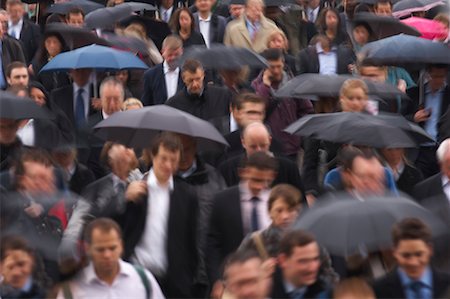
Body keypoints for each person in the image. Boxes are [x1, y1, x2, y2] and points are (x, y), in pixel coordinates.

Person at [122, 132, 199, 298]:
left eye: (173, 160)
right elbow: (117, 225)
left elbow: (191, 240)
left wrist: (187, 277)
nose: (168, 165)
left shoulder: (187, 195)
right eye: (164, 158)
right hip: (138, 276)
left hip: (173, 282)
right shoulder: (136, 189)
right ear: (153, 156)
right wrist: (124, 199)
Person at [207, 151, 278, 288]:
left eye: (266, 181)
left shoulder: (276, 202)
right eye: (255, 180)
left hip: (267, 281)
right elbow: (212, 244)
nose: (259, 186)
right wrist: (216, 280)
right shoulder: (222, 200)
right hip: (232, 280)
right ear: (243, 172)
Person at [57, 218, 165, 299]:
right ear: (87, 248)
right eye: (100, 249)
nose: (107, 255)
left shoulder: (143, 279)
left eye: (112, 248)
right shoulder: (71, 291)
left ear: (121, 246)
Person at [252, 48, 314, 158]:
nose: (276, 71)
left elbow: (306, 110)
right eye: (272, 67)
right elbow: (258, 109)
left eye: (278, 66)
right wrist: (265, 86)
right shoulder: (256, 86)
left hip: (291, 145)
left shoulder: (294, 85)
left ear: (283, 63)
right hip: (268, 146)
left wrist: (299, 135)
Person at [372, 218, 450, 299]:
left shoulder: (447, 284)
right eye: (406, 255)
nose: (413, 262)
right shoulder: (378, 290)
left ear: (430, 250)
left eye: (419, 254)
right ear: (394, 252)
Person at [219, 122, 305, 194]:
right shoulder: (227, 169)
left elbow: (301, 204)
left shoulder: (288, 168)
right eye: (253, 146)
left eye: (263, 145)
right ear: (243, 143)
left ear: (270, 141)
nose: (259, 150)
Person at [404, 64, 450, 178]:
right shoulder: (414, 94)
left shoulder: (448, 96)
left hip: (441, 148)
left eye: (442, 76)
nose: (438, 80)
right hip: (420, 151)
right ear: (428, 75)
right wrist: (414, 118)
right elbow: (401, 119)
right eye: (435, 76)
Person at [239, 184, 302, 258]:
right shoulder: (255, 241)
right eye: (279, 211)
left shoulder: (306, 239)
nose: (285, 216)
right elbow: (236, 267)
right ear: (269, 212)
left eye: (290, 210)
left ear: (298, 211)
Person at [271, 230, 331, 298]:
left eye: (315, 259)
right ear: (283, 260)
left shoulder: (325, 291)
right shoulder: (264, 292)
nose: (312, 268)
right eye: (304, 261)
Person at [166, 59, 231, 120]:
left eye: (198, 79)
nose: (195, 84)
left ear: (203, 75)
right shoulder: (174, 105)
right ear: (183, 79)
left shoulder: (222, 96)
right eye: (190, 80)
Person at [141, 35, 185, 106]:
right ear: (162, 53)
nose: (173, 58)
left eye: (176, 55)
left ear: (182, 52)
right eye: (170, 55)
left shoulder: (187, 73)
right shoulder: (151, 75)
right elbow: (146, 103)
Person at [5, 0, 41, 64]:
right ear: (8, 12)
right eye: (14, 11)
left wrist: (33, 65)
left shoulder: (33, 28)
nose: (17, 14)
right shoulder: (3, 27)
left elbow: (39, 49)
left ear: (23, 11)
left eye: (19, 11)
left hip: (26, 66)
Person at [0, 9, 26, 90]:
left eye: (4, 23)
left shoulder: (13, 46)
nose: (3, 25)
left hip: (10, 93)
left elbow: (22, 71)